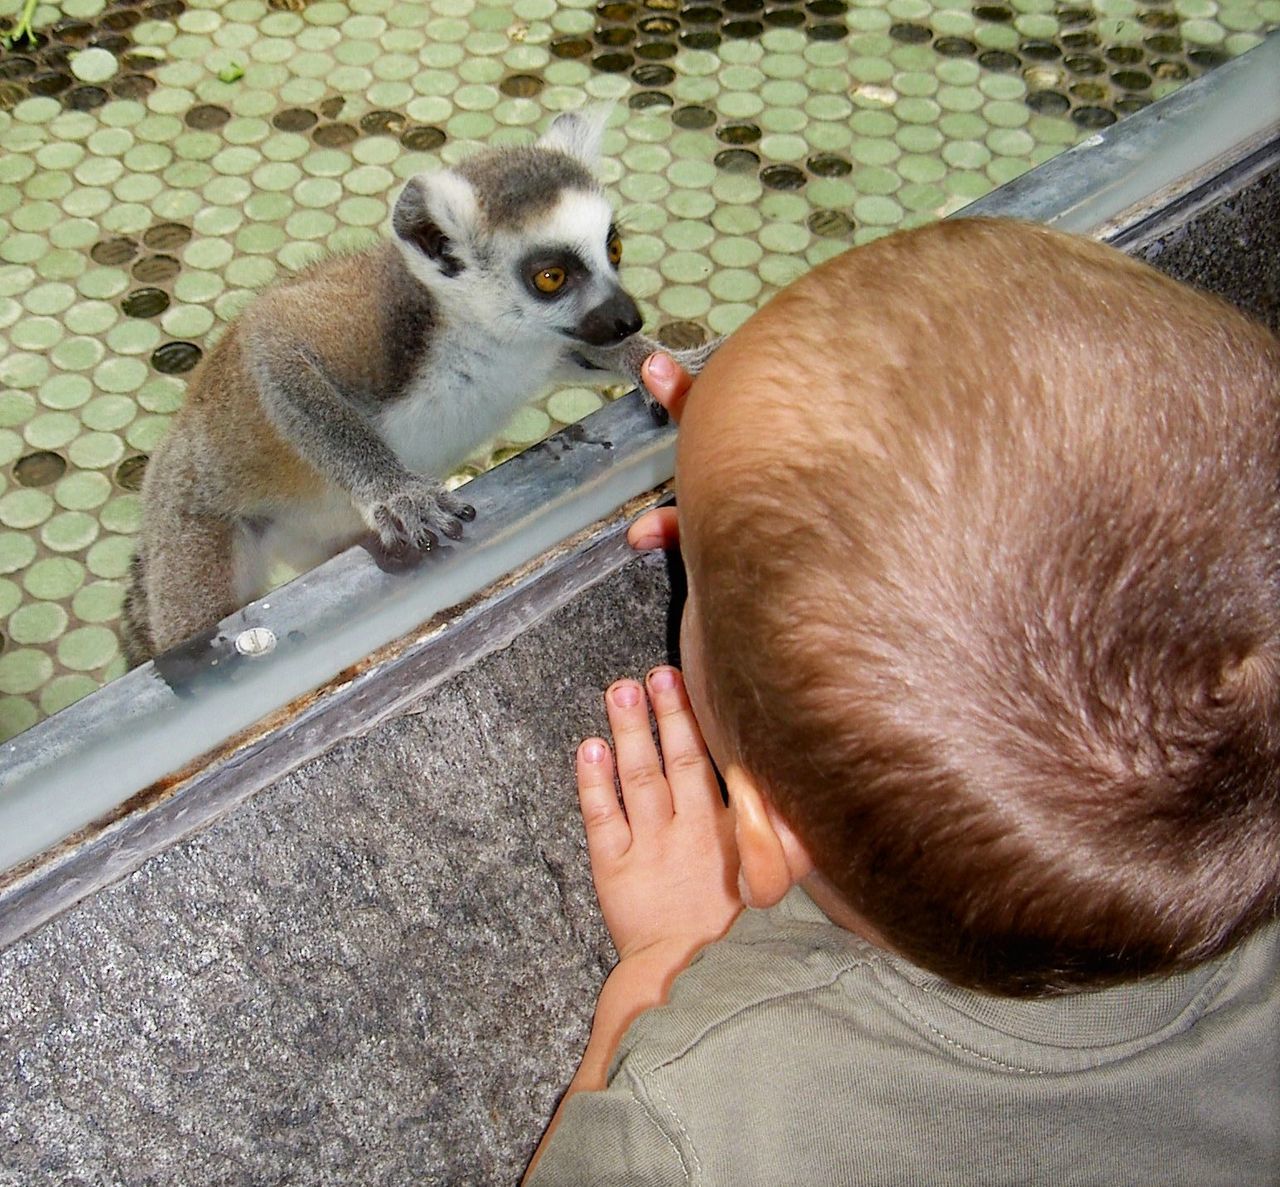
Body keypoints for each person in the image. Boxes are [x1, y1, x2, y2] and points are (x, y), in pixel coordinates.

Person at [523, 218, 1280, 1185]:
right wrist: (758, 470)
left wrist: (664, 965)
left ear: (759, 837)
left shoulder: (705, 1122)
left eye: (695, 580)